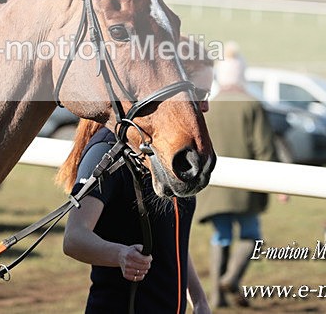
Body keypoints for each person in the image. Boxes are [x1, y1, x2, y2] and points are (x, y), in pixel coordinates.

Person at [57, 59, 213, 314]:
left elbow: (171, 243)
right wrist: (119, 255)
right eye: (200, 94)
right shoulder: (107, 151)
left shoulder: (170, 155)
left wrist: (198, 298)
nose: (205, 106)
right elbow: (74, 238)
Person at [194, 48, 282, 309]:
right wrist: (279, 183)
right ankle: (230, 279)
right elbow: (264, 148)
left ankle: (216, 295)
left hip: (214, 181)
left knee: (221, 236)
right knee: (251, 235)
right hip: (246, 183)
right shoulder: (252, 104)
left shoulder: (209, 104)